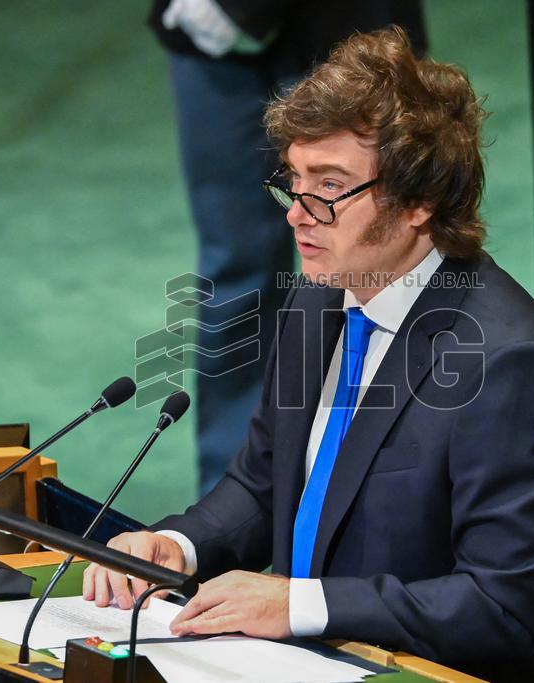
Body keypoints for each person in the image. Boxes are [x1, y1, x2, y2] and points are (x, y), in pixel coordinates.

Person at [89, 27, 534, 682]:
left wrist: (297, 604)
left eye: (330, 186)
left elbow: (501, 605)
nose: (297, 214)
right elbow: (265, 484)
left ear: (419, 201)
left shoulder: (510, 366)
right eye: (293, 181)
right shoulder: (319, 299)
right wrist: (179, 546)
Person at [149, 0, 426, 493]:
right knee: (233, 277)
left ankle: (385, 492)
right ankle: (233, 502)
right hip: (207, 36)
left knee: (373, 266)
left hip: (345, 26)